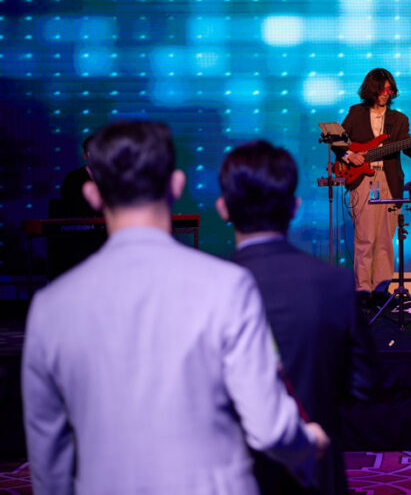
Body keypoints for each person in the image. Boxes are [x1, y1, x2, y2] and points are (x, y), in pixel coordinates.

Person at [21, 120, 328, 494]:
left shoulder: (50, 307)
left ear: (93, 194)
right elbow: (268, 427)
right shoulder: (227, 285)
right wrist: (307, 444)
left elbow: (48, 459)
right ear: (176, 184)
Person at [217, 140, 377, 494]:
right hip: (316, 472)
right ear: (294, 207)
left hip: (235, 477)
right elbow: (363, 384)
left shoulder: (206, 287)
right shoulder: (335, 282)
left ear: (223, 208)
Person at [335, 68, 411, 307]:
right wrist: (349, 155)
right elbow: (337, 140)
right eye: (383, 89)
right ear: (372, 89)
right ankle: (362, 290)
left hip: (389, 181)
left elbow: (408, 148)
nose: (387, 93)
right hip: (362, 180)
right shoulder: (356, 113)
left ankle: (380, 288)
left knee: (386, 239)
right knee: (365, 238)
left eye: (390, 89)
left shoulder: (399, 119)